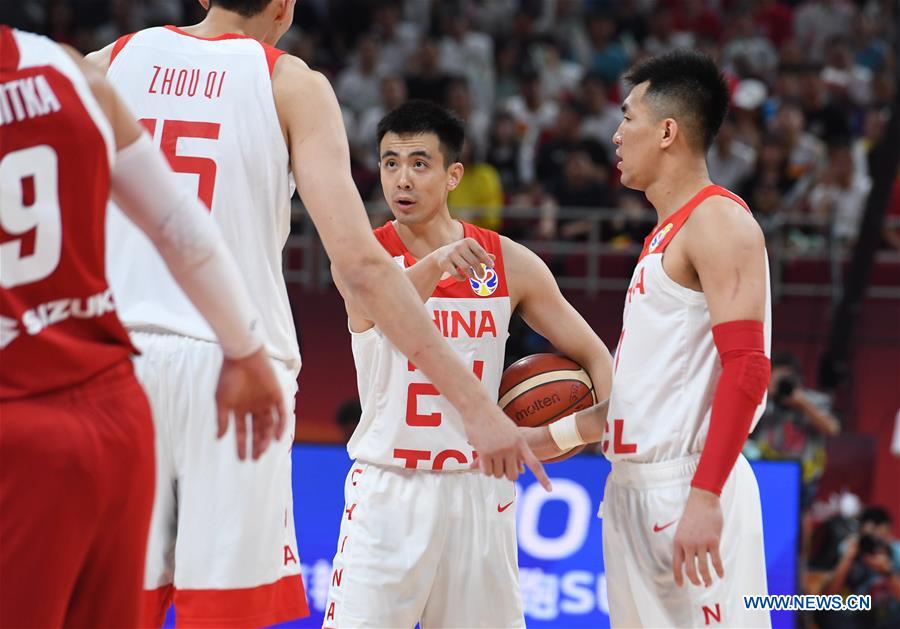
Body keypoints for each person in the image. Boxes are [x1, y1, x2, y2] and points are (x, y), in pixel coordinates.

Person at [86, 1, 549, 626]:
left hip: (116, 364)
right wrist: (477, 407)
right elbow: (362, 268)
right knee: (221, 614)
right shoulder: (293, 84)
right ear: (285, 5)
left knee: (106, 606)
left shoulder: (104, 65)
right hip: (232, 368)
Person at [0, 26, 286, 627]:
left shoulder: (114, 59)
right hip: (112, 409)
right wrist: (248, 350)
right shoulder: (70, 70)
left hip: (22, 421)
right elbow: (180, 227)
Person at [323, 100, 613, 628]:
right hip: (390, 489)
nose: (402, 179)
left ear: (454, 174)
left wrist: (603, 431)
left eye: (419, 163)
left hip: (480, 488)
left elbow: (594, 354)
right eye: (390, 163)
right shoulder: (363, 261)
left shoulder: (510, 262)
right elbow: (382, 311)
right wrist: (435, 264)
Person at [522, 50, 774, 627]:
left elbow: (748, 368)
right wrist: (534, 439)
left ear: (667, 131)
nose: (615, 135)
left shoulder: (718, 222)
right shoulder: (665, 234)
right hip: (633, 489)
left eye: (627, 118)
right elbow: (639, 405)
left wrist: (706, 496)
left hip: (688, 486)